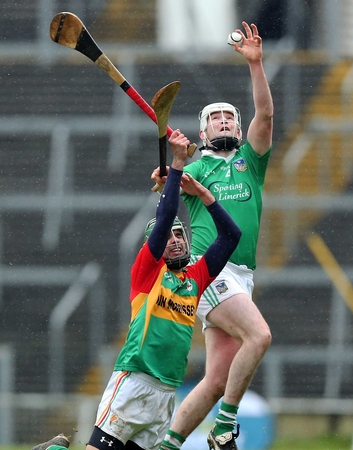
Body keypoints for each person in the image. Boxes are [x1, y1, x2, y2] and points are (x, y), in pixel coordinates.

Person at [33, 129, 241, 450]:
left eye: (179, 236)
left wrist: (203, 195)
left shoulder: (196, 279)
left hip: (166, 392)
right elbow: (165, 216)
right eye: (167, 237)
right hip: (135, 380)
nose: (174, 240)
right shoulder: (147, 272)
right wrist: (177, 164)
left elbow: (231, 236)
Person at [151, 21, 274, 450]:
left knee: (218, 378)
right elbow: (173, 178)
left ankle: (168, 445)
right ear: (203, 133)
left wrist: (255, 65)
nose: (223, 122)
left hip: (242, 276)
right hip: (209, 270)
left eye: (229, 118)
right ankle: (224, 429)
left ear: (237, 131)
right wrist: (168, 174)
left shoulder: (251, 162)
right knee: (259, 337)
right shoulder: (198, 167)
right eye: (214, 118)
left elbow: (267, 114)